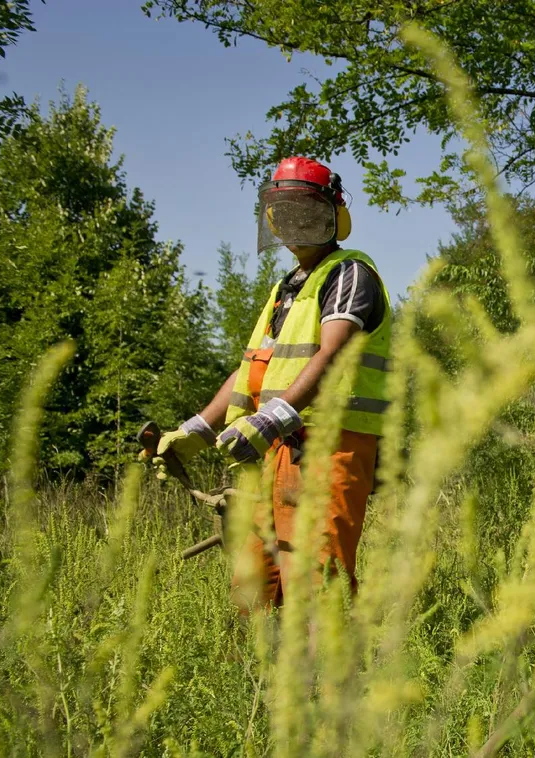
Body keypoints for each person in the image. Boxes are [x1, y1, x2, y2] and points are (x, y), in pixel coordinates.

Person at [149, 156, 393, 610]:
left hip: (327, 445)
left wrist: (272, 419)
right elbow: (252, 369)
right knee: (254, 579)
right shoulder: (287, 289)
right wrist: (197, 429)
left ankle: (329, 681)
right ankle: (256, 680)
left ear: (333, 214)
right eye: (286, 211)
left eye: (306, 209)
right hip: (274, 451)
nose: (294, 222)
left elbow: (333, 354)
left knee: (320, 580)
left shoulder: (348, 274)